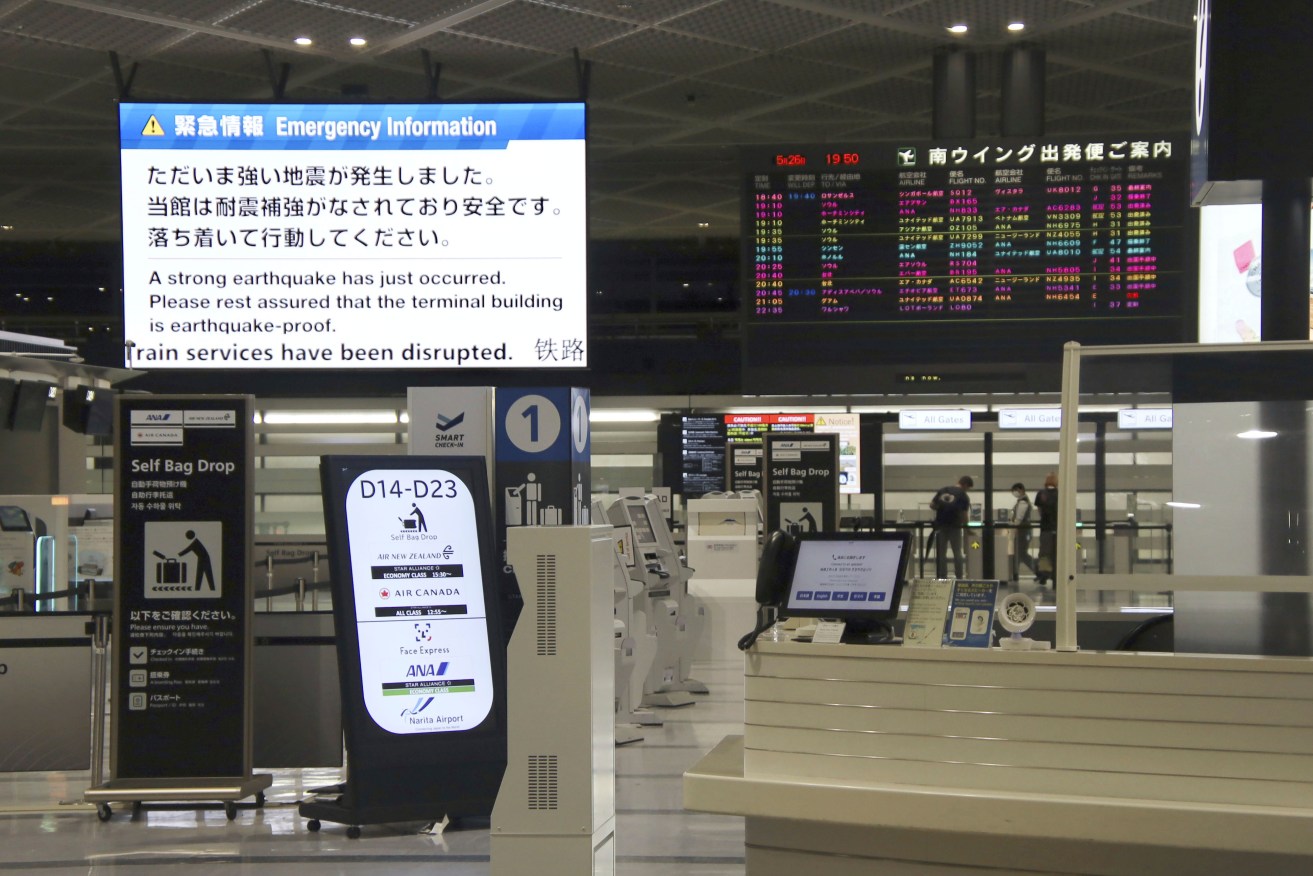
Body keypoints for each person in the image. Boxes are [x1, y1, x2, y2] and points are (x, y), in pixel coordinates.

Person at [930, 475, 972, 578]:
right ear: (965, 485)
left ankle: (942, 577)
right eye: (968, 488)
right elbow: (964, 514)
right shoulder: (963, 495)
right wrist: (968, 529)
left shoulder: (943, 490)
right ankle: (959, 576)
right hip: (955, 526)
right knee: (957, 552)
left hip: (941, 525)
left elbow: (932, 505)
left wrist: (941, 507)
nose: (967, 490)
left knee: (941, 553)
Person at [1008, 482, 1038, 584]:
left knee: (1021, 554)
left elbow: (1019, 519)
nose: (1014, 493)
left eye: (1015, 491)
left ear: (1021, 490)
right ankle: (1015, 573)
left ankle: (1038, 570)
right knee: (1019, 553)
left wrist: (1013, 529)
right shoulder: (1022, 501)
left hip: (1022, 532)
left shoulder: (1023, 502)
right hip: (1024, 531)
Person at [1034, 472, 1059, 586]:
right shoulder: (1059, 494)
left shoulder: (1041, 494)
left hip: (1045, 527)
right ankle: (1056, 576)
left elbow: (1039, 510)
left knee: (1044, 552)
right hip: (1057, 528)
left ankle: (1044, 574)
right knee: (1056, 552)